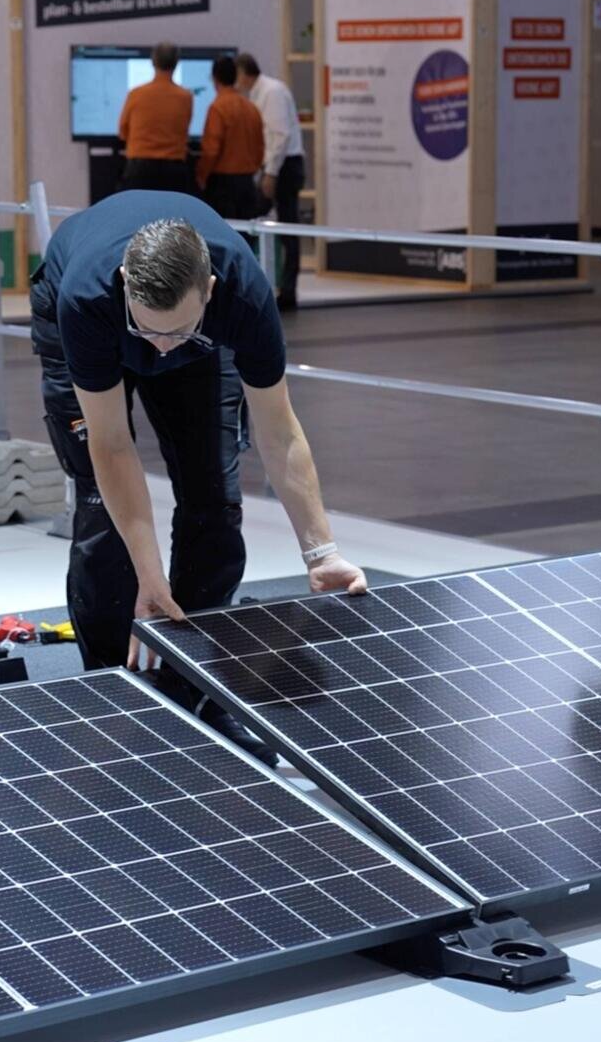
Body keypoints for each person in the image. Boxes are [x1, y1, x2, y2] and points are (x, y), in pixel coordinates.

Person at [30, 190, 366, 759]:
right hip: (89, 329)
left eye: (175, 331)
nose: (160, 350)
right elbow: (112, 446)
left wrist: (321, 552)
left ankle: (198, 692)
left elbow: (280, 431)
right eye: (151, 332)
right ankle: (113, 691)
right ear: (124, 284)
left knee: (215, 501)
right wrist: (149, 575)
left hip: (201, 346)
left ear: (208, 292)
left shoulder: (243, 295)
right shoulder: (88, 298)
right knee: (101, 517)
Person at [234, 52, 306, 310]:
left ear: (243, 73)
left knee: (288, 229)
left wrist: (271, 173)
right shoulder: (260, 93)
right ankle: (254, 283)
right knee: (256, 221)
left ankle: (288, 292)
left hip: (285, 166)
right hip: (278, 165)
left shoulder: (271, 92)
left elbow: (280, 135)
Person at [117, 41, 195, 194]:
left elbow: (123, 131)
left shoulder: (136, 94)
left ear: (153, 62)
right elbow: (184, 130)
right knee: (172, 216)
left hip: (139, 170)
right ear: (176, 63)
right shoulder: (185, 97)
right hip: (173, 171)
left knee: (137, 215)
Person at [196, 55, 266, 221]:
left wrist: (201, 177)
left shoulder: (218, 108)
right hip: (247, 184)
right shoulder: (251, 108)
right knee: (245, 238)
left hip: (222, 186)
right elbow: (260, 148)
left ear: (214, 78)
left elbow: (211, 150)